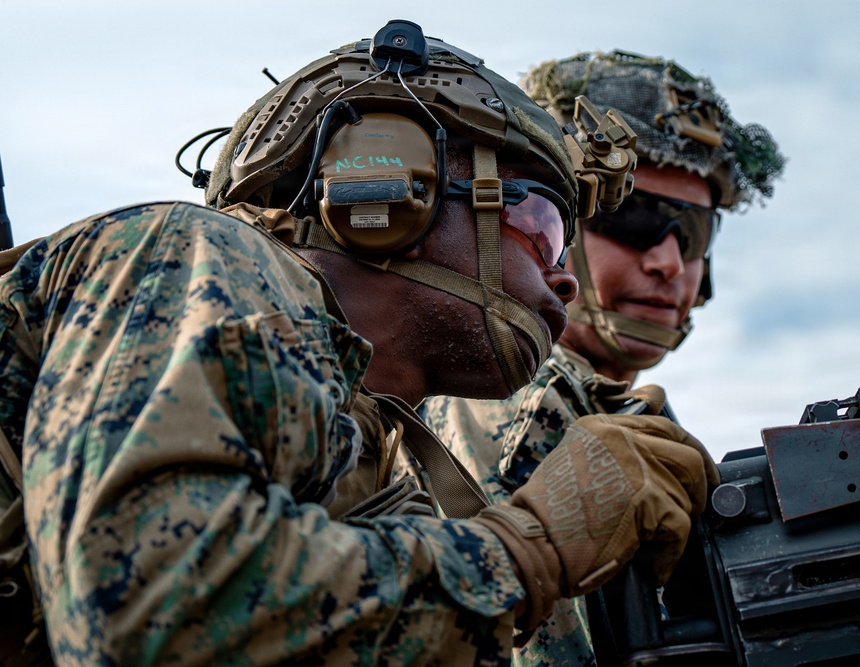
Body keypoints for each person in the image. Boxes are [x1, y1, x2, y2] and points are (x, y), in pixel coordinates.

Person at [0, 23, 719, 666]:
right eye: (545, 225)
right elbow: (152, 623)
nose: (563, 281)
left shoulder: (376, 468)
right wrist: (535, 543)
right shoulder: (197, 256)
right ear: (397, 184)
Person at [421, 50, 785, 666]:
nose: (669, 263)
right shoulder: (524, 397)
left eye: (693, 233)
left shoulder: (600, 408)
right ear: (542, 225)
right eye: (635, 218)